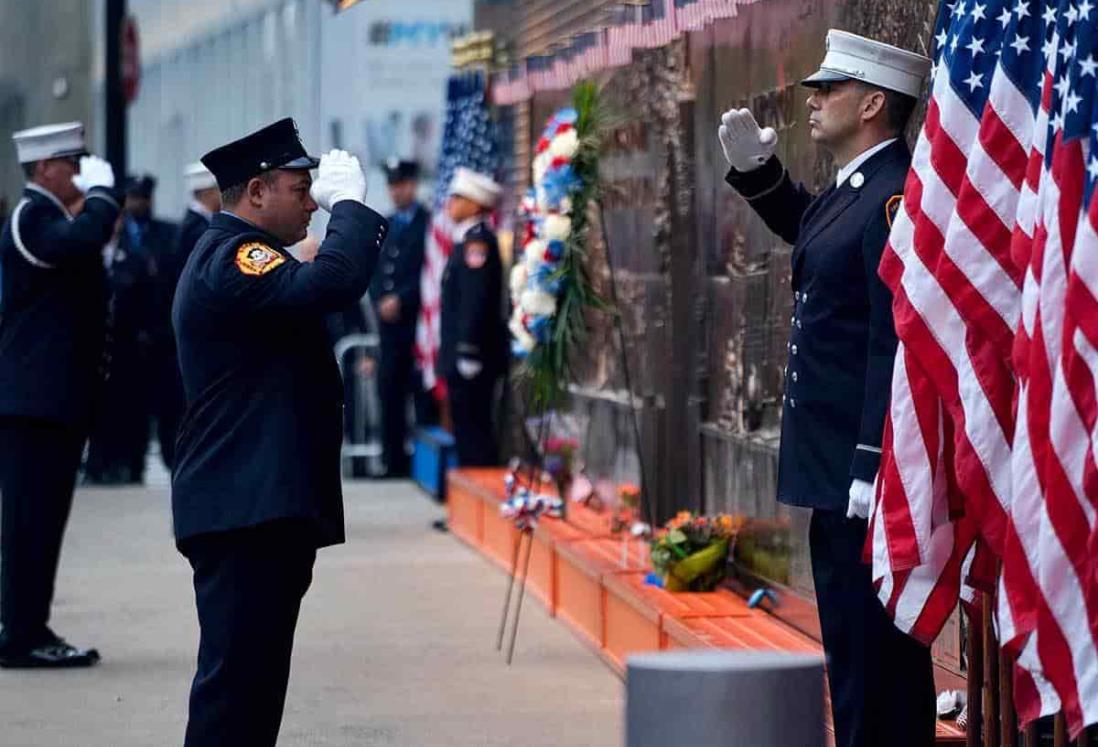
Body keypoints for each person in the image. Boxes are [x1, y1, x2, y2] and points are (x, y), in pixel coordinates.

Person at [719, 30, 934, 747]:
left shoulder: (892, 196)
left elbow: (890, 340)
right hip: (834, 466)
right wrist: (761, 173)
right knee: (851, 644)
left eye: (829, 89)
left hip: (860, 470)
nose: (813, 100)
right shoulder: (859, 190)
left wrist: (872, 461)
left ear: (874, 103)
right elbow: (813, 228)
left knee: (873, 660)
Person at [172, 118, 387, 746]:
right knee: (234, 696)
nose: (311, 201)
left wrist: (336, 223)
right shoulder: (234, 256)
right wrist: (350, 205)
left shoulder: (240, 256)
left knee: (253, 693)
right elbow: (333, 282)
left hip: (255, 507)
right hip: (244, 510)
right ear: (257, 192)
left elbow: (315, 284)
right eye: (301, 188)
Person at [0, 122, 120, 668]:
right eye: (73, 161)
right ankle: (21, 633)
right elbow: (80, 242)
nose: (80, 169)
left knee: (41, 522)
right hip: (35, 404)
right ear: (45, 167)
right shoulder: (33, 216)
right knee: (31, 522)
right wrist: (101, 197)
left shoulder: (48, 216)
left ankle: (27, 626)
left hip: (50, 401)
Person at [86, 175, 177, 483]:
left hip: (133, 347)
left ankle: (130, 466)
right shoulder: (89, 253)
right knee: (102, 412)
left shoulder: (139, 254)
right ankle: (100, 465)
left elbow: (149, 298)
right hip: (98, 350)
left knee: (134, 410)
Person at [437, 167, 506, 467]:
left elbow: (474, 301)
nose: (450, 204)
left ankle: (476, 505)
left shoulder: (477, 243)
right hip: (461, 355)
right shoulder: (465, 241)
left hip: (472, 357)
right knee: (464, 432)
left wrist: (468, 350)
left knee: (475, 432)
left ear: (476, 204)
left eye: (458, 197)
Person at [369, 158, 430, 477]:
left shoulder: (428, 224)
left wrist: (402, 299)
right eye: (392, 186)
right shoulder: (386, 225)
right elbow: (376, 271)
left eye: (401, 185)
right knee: (389, 393)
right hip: (389, 329)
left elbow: (428, 272)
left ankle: (423, 463)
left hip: (416, 326)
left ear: (412, 185)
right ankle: (392, 461)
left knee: (420, 397)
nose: (396, 191)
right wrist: (380, 298)